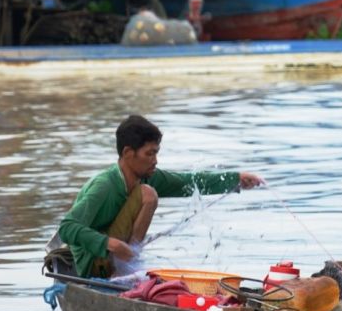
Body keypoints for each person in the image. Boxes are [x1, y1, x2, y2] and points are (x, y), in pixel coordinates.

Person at [54, 115, 264, 278]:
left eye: (156, 153)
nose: (155, 160)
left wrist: (235, 179)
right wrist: (112, 245)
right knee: (148, 195)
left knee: (147, 191)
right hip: (93, 266)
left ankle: (126, 264)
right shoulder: (104, 186)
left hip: (116, 255)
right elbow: (67, 227)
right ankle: (124, 268)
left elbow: (187, 181)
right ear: (128, 154)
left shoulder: (147, 176)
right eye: (149, 154)